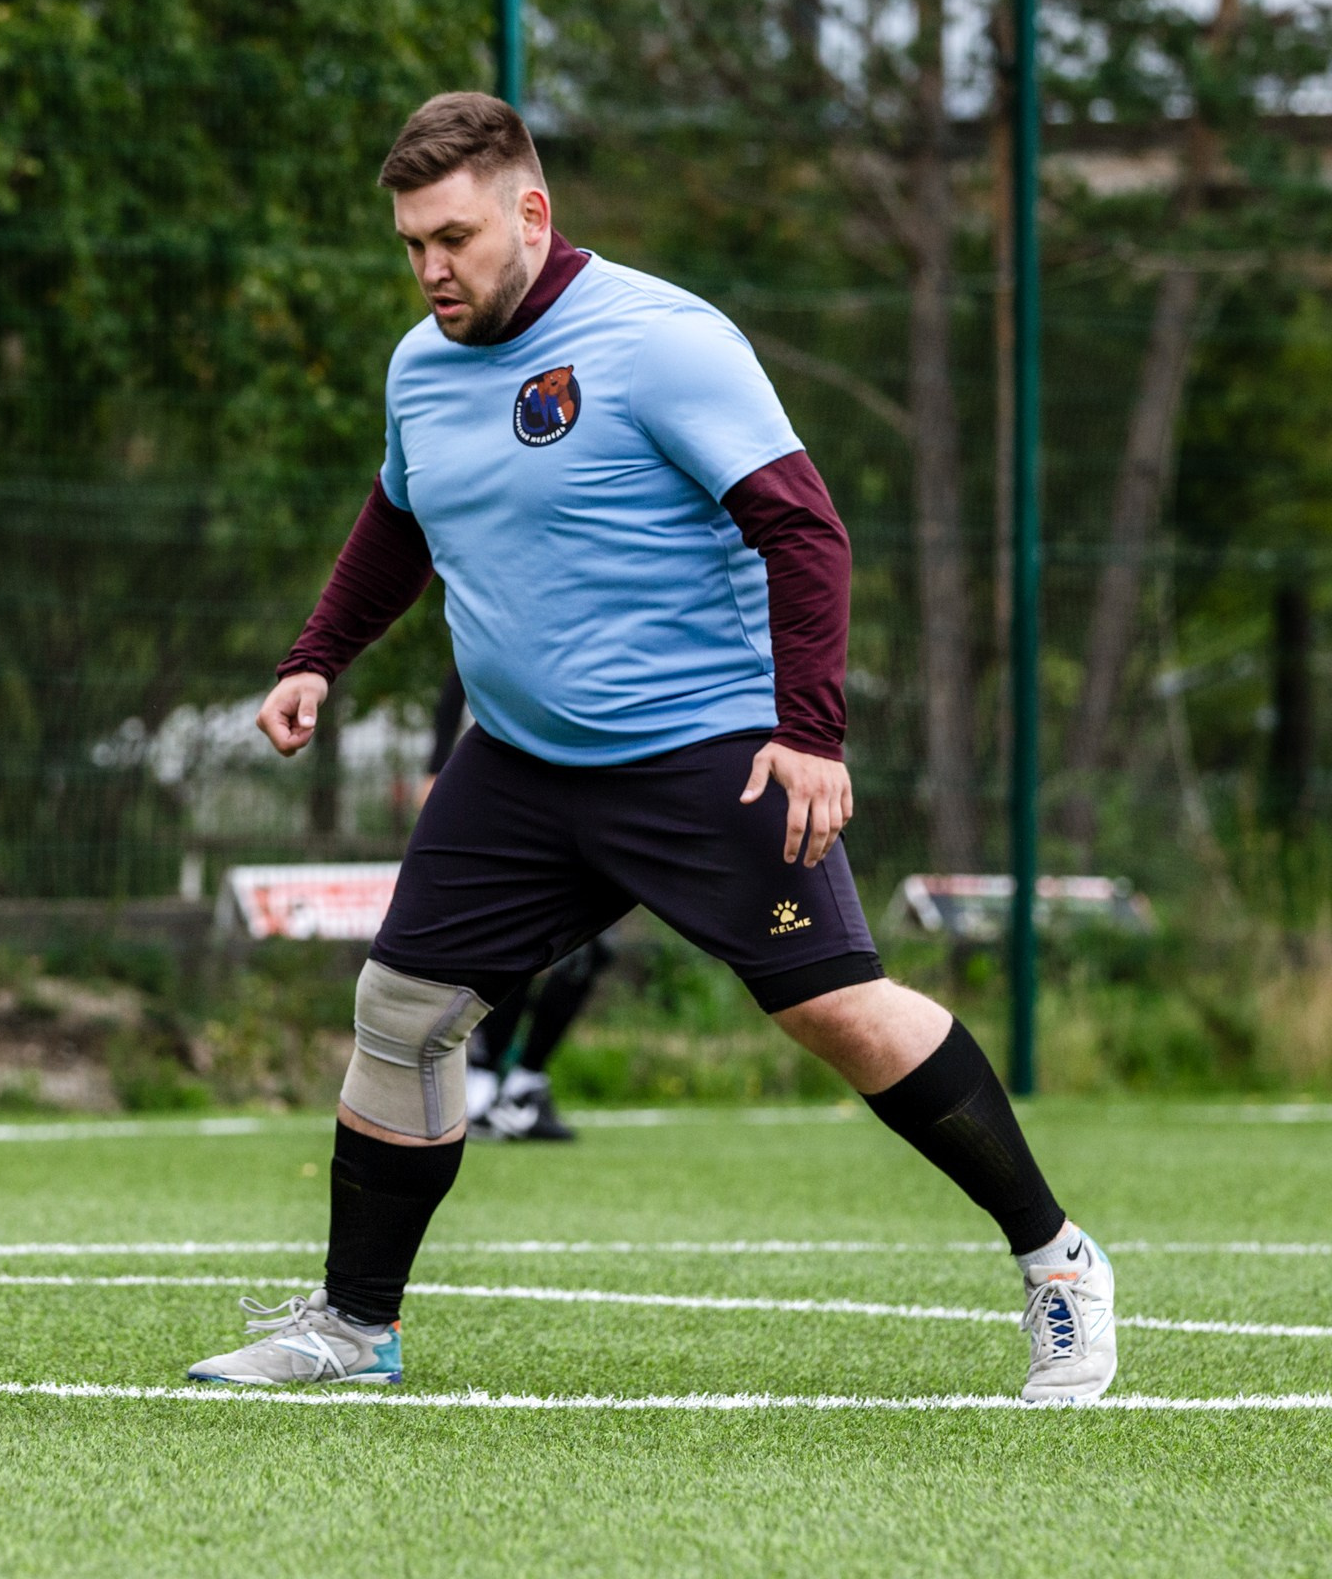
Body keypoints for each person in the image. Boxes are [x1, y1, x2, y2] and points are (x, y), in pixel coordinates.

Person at [188, 94, 1115, 1403]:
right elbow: (399, 517)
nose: (430, 269)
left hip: (704, 754)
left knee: (836, 1010)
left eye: (452, 238)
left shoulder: (662, 341)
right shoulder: (420, 366)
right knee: (401, 1011)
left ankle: (1058, 1259)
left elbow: (805, 530)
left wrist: (811, 734)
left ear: (532, 212)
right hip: (519, 765)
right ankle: (354, 1324)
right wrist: (314, 657)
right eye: (411, 245)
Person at [425, 664, 605, 1142]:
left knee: (588, 952)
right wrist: (435, 767)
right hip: (508, 800)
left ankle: (522, 1085)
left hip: (583, 794)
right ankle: (482, 1085)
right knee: (515, 941)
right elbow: (458, 678)